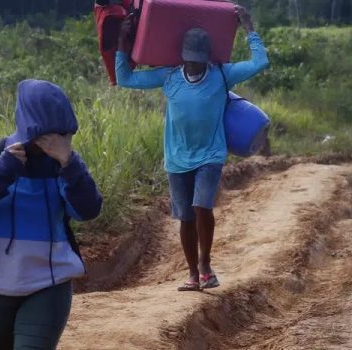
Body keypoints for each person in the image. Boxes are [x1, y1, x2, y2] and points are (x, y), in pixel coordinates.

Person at [115, 5, 269, 292]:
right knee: (185, 217)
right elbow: (125, 79)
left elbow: (260, 62)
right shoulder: (170, 76)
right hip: (177, 158)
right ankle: (192, 274)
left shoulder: (223, 75)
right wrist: (123, 43)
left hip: (210, 155)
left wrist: (249, 28)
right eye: (190, 60)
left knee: (202, 207)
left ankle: (206, 265)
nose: (194, 65)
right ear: (183, 57)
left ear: (208, 57)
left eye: (199, 61)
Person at [0, 79, 103, 349]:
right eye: (45, 135)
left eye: (60, 135)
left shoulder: (65, 166)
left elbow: (88, 211)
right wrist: (3, 169)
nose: (51, 142)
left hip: (47, 284)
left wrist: (69, 164)